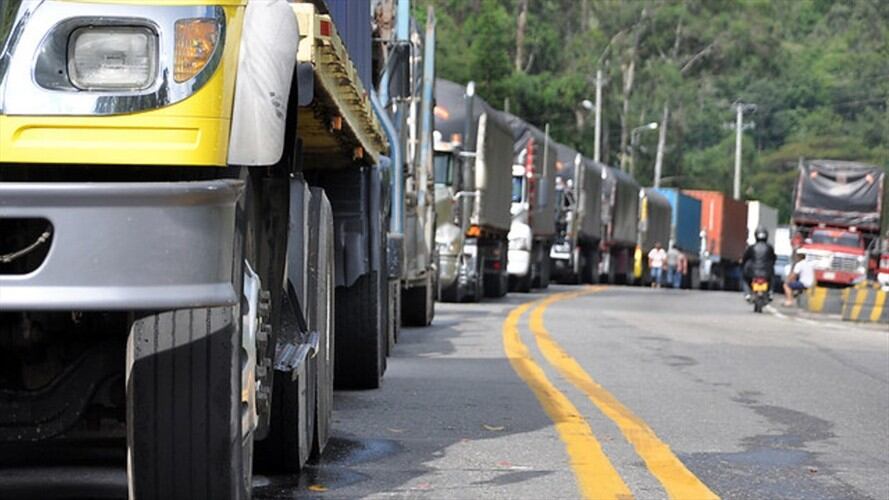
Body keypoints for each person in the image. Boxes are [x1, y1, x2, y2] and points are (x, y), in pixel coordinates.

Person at [742, 227, 776, 301]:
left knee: (744, 279)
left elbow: (745, 258)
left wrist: (743, 265)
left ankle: (747, 293)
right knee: (772, 279)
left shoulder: (752, 247)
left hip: (752, 272)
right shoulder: (769, 248)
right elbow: (773, 258)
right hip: (766, 272)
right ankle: (770, 292)